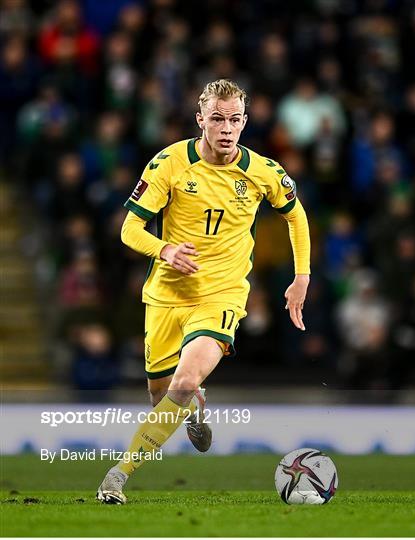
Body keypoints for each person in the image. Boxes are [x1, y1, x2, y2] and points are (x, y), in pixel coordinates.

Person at [97, 79, 311, 504]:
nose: (226, 128)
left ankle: (118, 475)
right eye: (217, 119)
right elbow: (129, 229)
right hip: (166, 295)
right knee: (161, 396)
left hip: (223, 293)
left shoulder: (263, 171)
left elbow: (297, 217)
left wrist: (301, 276)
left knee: (187, 378)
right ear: (201, 121)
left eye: (234, 120)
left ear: (245, 122)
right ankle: (193, 408)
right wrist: (165, 249)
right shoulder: (170, 163)